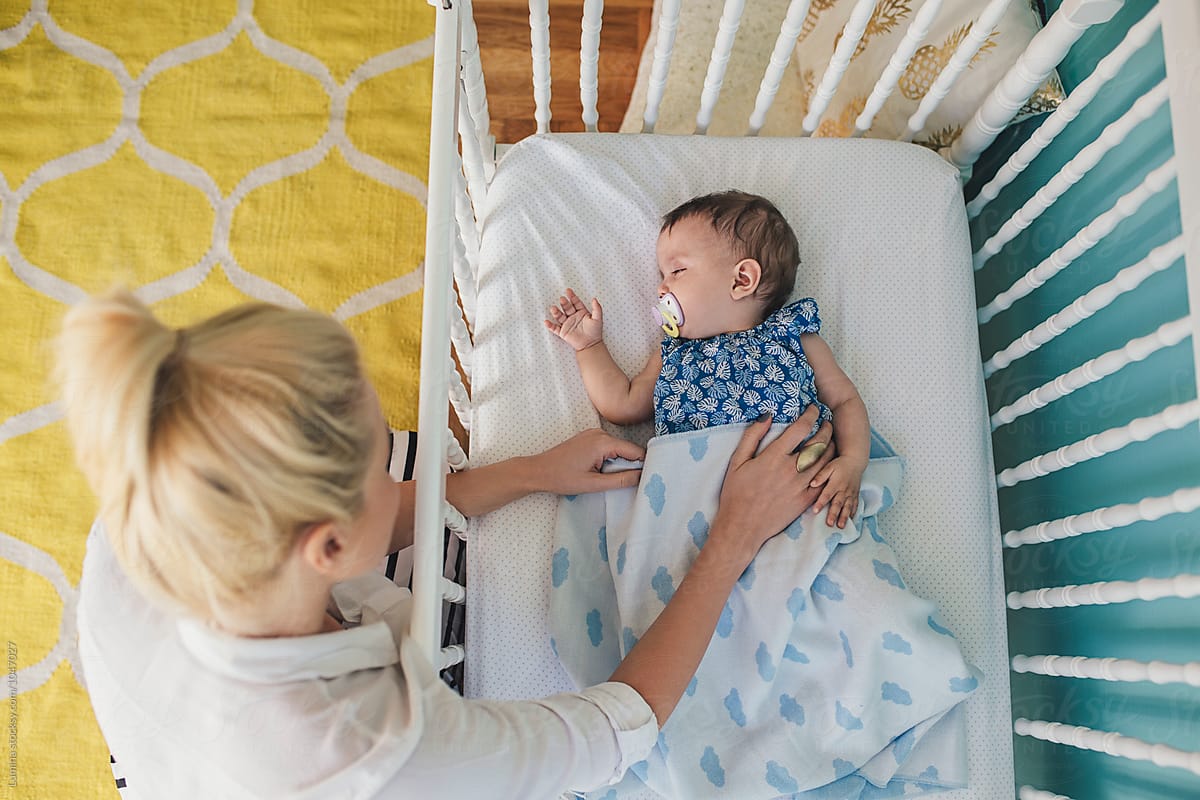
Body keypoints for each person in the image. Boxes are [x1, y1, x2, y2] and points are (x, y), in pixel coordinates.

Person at [58, 287, 835, 799]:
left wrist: (529, 471)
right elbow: (608, 732)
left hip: (177, 741)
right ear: (325, 547)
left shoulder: (154, 498)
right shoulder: (374, 745)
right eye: (376, 463)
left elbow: (368, 523)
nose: (404, 463)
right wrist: (732, 534)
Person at [546, 190, 870, 528]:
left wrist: (852, 461)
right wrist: (589, 347)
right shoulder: (674, 353)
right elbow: (623, 406)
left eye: (677, 271)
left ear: (742, 279)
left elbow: (845, 400)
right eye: (662, 276)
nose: (661, 289)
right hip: (700, 508)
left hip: (800, 498)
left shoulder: (794, 335)